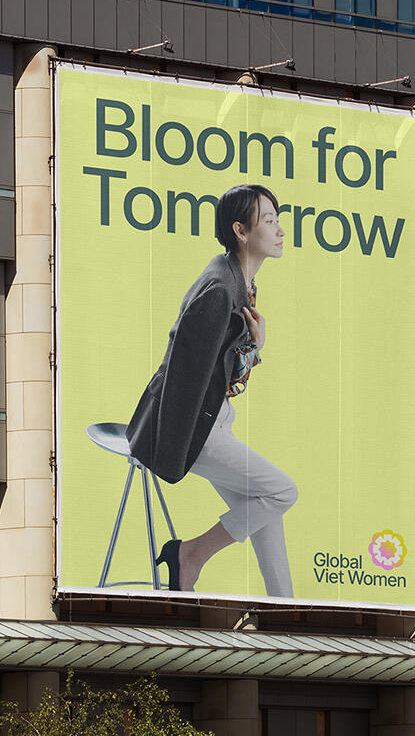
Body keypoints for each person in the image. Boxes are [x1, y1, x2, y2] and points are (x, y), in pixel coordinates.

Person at [125, 184, 298, 597]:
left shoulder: (236, 277)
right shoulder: (222, 290)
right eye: (269, 221)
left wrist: (253, 347)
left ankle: (285, 605)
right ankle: (192, 554)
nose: (279, 230)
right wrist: (174, 450)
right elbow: (186, 375)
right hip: (190, 428)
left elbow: (220, 373)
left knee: (262, 506)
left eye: (278, 220)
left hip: (210, 417)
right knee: (281, 491)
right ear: (241, 230)